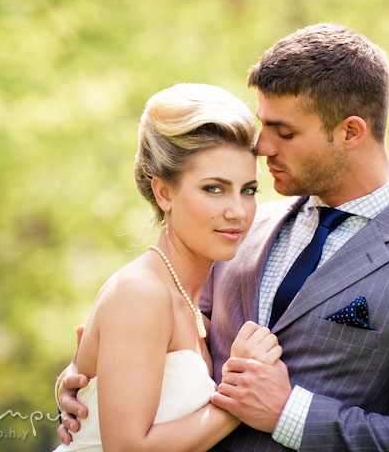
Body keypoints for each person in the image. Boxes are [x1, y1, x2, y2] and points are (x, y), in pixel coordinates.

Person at [59, 23, 389, 451]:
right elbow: (175, 345)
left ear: (350, 132)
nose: (263, 147)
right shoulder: (236, 232)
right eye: (263, 125)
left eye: (284, 132)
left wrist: (289, 412)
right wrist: (90, 379)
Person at [53, 83, 283, 452]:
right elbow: (129, 448)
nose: (237, 211)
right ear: (164, 193)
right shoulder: (141, 293)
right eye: (214, 188)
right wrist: (242, 400)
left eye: (249, 190)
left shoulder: (195, 304)